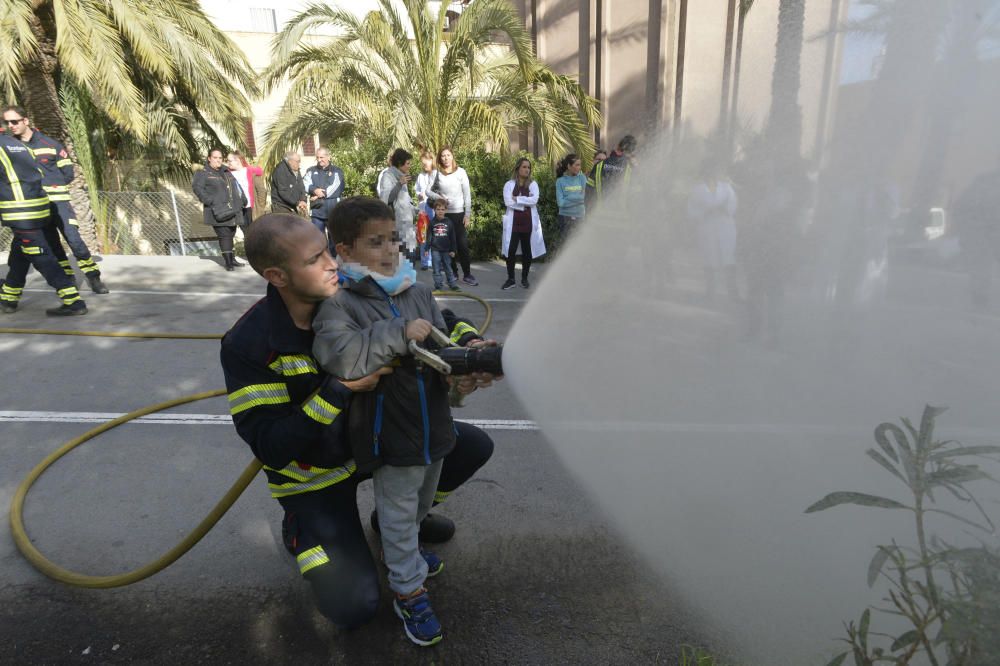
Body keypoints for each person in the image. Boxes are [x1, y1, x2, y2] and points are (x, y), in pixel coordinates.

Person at [220, 211, 497, 638]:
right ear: (277, 275)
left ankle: (394, 526)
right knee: (354, 605)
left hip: (378, 441)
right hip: (317, 474)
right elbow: (271, 445)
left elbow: (429, 310)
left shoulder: (346, 288)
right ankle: (302, 530)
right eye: (315, 259)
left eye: (329, 250)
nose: (332, 263)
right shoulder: (251, 345)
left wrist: (469, 348)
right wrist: (339, 390)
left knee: (470, 446)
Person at [312, 196, 498, 646]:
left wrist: (462, 380)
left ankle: (408, 552)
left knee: (420, 502)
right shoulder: (341, 304)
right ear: (345, 250)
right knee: (396, 513)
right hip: (389, 435)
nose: (390, 249)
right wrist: (397, 333)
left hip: (434, 426)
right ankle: (408, 590)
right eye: (375, 242)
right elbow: (343, 357)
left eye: (393, 238)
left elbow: (437, 351)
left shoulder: (415, 290)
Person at [2, 105, 109, 294]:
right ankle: (67, 278)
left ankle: (93, 277)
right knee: (53, 244)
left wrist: (53, 187)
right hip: (36, 207)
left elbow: (68, 172)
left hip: (59, 204)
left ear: (26, 121)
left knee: (74, 240)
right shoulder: (11, 147)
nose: (11, 126)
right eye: (7, 122)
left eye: (15, 121)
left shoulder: (49, 144)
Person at [0, 133, 87, 315]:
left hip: (21, 211)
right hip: (37, 205)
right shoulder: (16, 143)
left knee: (42, 258)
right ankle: (9, 299)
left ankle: (73, 301)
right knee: (19, 255)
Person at [687, 161, 739, 301]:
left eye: (715, 171)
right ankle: (710, 292)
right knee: (709, 260)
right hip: (707, 227)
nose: (713, 174)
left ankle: (733, 292)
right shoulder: (697, 189)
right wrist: (704, 213)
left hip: (725, 227)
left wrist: (725, 209)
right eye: (710, 171)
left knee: (729, 259)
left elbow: (733, 203)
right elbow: (691, 209)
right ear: (705, 172)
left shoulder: (726, 187)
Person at [192, 148, 247, 271]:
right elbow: (198, 189)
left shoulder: (226, 171)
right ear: (209, 158)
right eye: (215, 157)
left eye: (220, 158)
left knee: (231, 233)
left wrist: (243, 199)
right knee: (224, 235)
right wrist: (211, 201)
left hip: (232, 208)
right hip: (217, 210)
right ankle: (228, 262)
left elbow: (236, 186)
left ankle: (232, 259)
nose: (218, 160)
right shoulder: (203, 173)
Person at [501, 157, 546, 290]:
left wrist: (518, 199)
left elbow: (534, 200)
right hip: (513, 223)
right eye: (524, 167)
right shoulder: (509, 184)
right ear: (518, 168)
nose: (527, 170)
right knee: (511, 250)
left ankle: (524, 279)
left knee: (527, 251)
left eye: (528, 167)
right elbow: (508, 202)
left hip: (528, 222)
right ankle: (511, 279)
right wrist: (524, 203)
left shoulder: (533, 184)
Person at [435, 147, 477, 286]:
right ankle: (453, 272)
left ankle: (467, 274)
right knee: (447, 247)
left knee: (463, 246)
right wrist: (439, 197)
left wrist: (468, 214)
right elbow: (430, 192)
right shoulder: (437, 174)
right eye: (443, 156)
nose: (446, 158)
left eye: (448, 155)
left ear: (452, 156)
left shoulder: (461, 172)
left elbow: (467, 195)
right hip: (444, 215)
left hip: (459, 215)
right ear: (440, 158)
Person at [377, 148, 417, 254]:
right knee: (400, 259)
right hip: (396, 225)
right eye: (408, 163)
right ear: (400, 163)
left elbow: (404, 199)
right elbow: (386, 199)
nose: (409, 166)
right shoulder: (388, 176)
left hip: (407, 223)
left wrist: (416, 210)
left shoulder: (402, 176)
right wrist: (399, 184)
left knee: (410, 257)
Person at [303, 147, 345, 235]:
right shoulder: (311, 170)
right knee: (318, 240)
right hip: (316, 212)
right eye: (317, 157)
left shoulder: (337, 171)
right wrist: (314, 190)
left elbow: (334, 187)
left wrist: (319, 194)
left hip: (333, 211)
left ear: (328, 157)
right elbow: (304, 184)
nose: (319, 160)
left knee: (334, 239)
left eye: (321, 157)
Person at [587, 135, 637, 205]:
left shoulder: (599, 165)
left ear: (618, 147)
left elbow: (589, 192)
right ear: (631, 152)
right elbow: (636, 196)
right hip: (622, 214)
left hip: (600, 213)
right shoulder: (630, 169)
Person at [425, 198, 460, 291]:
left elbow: (453, 237)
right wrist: (426, 249)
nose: (440, 211)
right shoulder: (432, 223)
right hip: (435, 250)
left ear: (446, 210)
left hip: (446, 250)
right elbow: (429, 236)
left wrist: (453, 250)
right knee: (436, 269)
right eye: (438, 209)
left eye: (442, 209)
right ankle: (438, 286)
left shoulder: (449, 222)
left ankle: (452, 284)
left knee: (448, 268)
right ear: (434, 210)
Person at [413, 150, 439, 270]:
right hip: (423, 209)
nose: (424, 166)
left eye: (426, 163)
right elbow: (417, 190)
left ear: (431, 160)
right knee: (424, 235)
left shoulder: (437, 174)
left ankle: (436, 261)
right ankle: (425, 262)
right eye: (423, 164)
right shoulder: (421, 176)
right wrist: (419, 195)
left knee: (436, 235)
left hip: (435, 209)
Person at [226, 151, 263, 228]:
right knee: (245, 231)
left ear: (238, 160)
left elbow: (261, 190)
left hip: (250, 207)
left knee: (253, 229)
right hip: (237, 208)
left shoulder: (249, 171)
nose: (228, 163)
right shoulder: (228, 174)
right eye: (227, 161)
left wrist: (260, 205)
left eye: (230, 161)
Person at [555, 153, 586, 241]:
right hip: (565, 218)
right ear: (569, 166)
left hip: (580, 217)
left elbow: (584, 198)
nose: (579, 168)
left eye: (580, 165)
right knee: (565, 245)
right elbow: (560, 203)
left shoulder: (582, 178)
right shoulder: (560, 181)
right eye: (577, 165)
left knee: (581, 244)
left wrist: (568, 197)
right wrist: (578, 198)